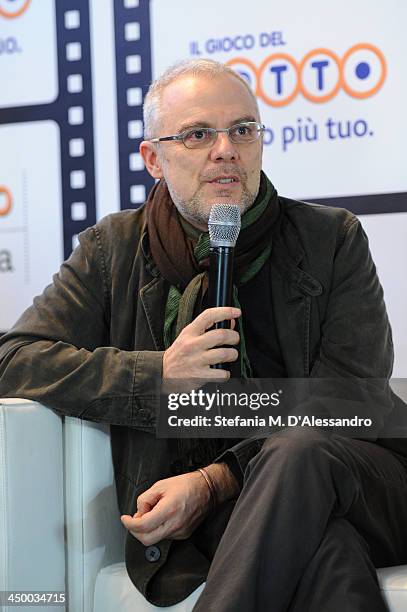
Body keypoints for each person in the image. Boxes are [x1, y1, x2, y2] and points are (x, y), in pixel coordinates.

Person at [0, 58, 407, 612]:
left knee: (299, 449)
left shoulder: (331, 238)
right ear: (154, 159)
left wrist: (216, 479)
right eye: (197, 135)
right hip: (234, 520)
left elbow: (350, 400)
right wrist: (157, 374)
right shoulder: (111, 250)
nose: (225, 150)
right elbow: (15, 358)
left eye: (243, 130)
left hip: (361, 485)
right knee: (327, 551)